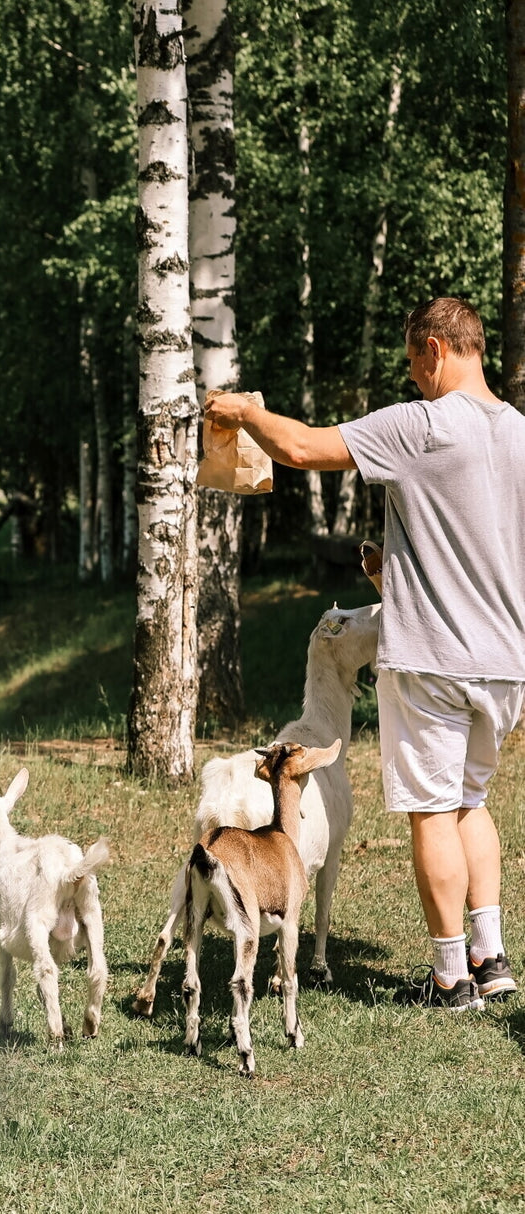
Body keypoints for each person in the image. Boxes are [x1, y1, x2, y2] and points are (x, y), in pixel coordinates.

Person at [206, 297, 525, 1011]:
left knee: (433, 810)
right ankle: (491, 957)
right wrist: (400, 574)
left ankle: (450, 980)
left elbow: (301, 448)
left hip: (435, 658)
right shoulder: (521, 436)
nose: (414, 380)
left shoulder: (422, 424)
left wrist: (245, 414)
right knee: (474, 800)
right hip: (505, 658)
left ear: (436, 351)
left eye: (415, 365)